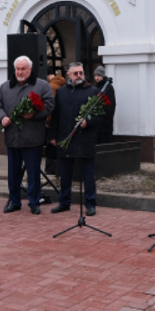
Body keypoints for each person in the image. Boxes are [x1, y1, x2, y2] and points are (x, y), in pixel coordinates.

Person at [0, 56, 54, 215]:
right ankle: (14, 201)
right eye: (17, 69)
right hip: (12, 137)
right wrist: (2, 117)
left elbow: (49, 105)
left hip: (32, 137)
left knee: (33, 173)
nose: (20, 72)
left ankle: (34, 202)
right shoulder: (5, 87)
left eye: (23, 69)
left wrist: (34, 114)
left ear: (30, 69)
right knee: (13, 173)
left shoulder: (42, 85)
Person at [49, 63, 101, 216]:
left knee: (88, 175)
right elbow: (55, 116)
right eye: (76, 73)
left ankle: (90, 203)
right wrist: (52, 135)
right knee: (64, 173)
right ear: (69, 74)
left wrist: (88, 122)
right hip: (66, 138)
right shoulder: (61, 92)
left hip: (86, 139)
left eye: (81, 72)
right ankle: (64, 201)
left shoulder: (93, 91)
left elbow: (101, 116)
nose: (79, 75)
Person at [45, 71, 66, 175]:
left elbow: (50, 107)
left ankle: (51, 169)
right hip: (62, 122)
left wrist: (47, 122)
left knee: (51, 147)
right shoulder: (62, 84)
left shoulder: (51, 86)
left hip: (53, 122)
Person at [93, 66, 116, 144]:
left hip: (105, 125)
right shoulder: (96, 87)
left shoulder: (108, 88)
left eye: (98, 76)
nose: (96, 78)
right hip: (98, 124)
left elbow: (111, 105)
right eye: (95, 76)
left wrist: (107, 121)